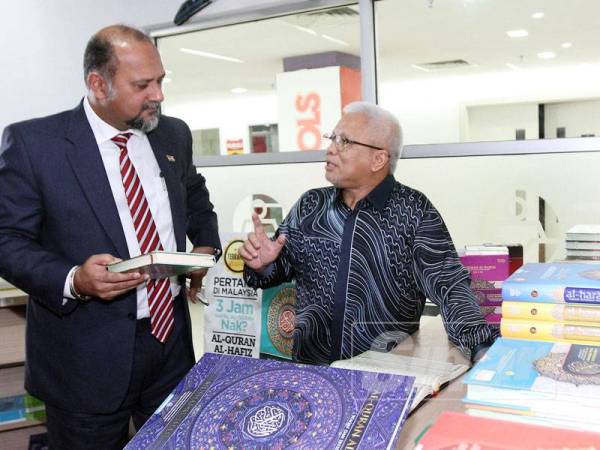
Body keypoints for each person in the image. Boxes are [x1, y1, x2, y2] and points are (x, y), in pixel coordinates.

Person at [0, 25, 220, 449]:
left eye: (160, 81)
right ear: (97, 84)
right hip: (84, 358)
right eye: (142, 85)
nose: (158, 95)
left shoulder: (172, 134)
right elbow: (7, 238)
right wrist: (73, 279)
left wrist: (204, 247)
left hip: (169, 344)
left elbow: (194, 197)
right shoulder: (35, 144)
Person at [240, 101, 498, 366]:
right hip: (312, 373)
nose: (330, 149)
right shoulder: (310, 206)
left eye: (344, 141)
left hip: (382, 379)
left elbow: (450, 286)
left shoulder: (413, 212)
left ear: (378, 159)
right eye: (332, 138)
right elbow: (279, 270)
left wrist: (480, 346)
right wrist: (264, 265)